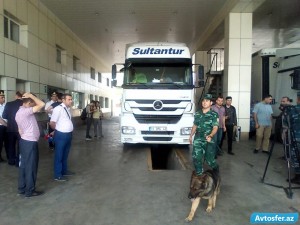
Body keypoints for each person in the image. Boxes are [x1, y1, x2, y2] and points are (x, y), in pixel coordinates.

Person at [15, 92, 45, 197]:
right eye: (32, 102)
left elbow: (20, 129)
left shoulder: (19, 112)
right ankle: (30, 191)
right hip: (30, 143)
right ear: (29, 102)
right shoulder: (26, 112)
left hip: (25, 141)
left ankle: (22, 188)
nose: (34, 104)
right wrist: (32, 96)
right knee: (31, 167)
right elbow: (41, 104)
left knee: (23, 166)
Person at [189, 94, 219, 176]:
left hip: (208, 138)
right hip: (198, 137)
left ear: (211, 103)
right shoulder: (198, 113)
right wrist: (191, 136)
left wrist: (211, 135)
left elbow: (215, 127)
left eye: (207, 101)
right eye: (203, 100)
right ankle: (199, 174)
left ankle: (216, 168)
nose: (204, 102)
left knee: (209, 160)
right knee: (196, 157)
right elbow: (195, 125)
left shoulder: (214, 114)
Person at [50, 94, 74, 181]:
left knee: (65, 154)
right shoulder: (58, 109)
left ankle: (64, 171)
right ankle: (58, 175)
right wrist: (57, 130)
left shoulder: (67, 109)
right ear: (63, 100)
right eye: (69, 99)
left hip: (68, 134)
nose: (71, 101)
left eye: (71, 99)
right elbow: (52, 122)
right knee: (59, 155)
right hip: (61, 135)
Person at [2, 91, 23, 166]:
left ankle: (11, 161)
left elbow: (4, 116)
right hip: (21, 129)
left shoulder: (9, 104)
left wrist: (11, 118)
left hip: (10, 128)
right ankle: (18, 162)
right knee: (20, 146)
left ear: (16, 96)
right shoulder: (24, 104)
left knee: (11, 145)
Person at [283, 93, 300, 184]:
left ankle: (298, 176)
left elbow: (286, 123)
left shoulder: (292, 110)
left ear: (298, 99)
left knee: (296, 156)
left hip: (295, 137)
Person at [0, 90, 8, 162]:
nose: (3, 98)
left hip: (6, 126)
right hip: (1, 127)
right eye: (2, 97)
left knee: (7, 142)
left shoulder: (5, 105)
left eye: (4, 97)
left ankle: (9, 156)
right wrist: (7, 125)